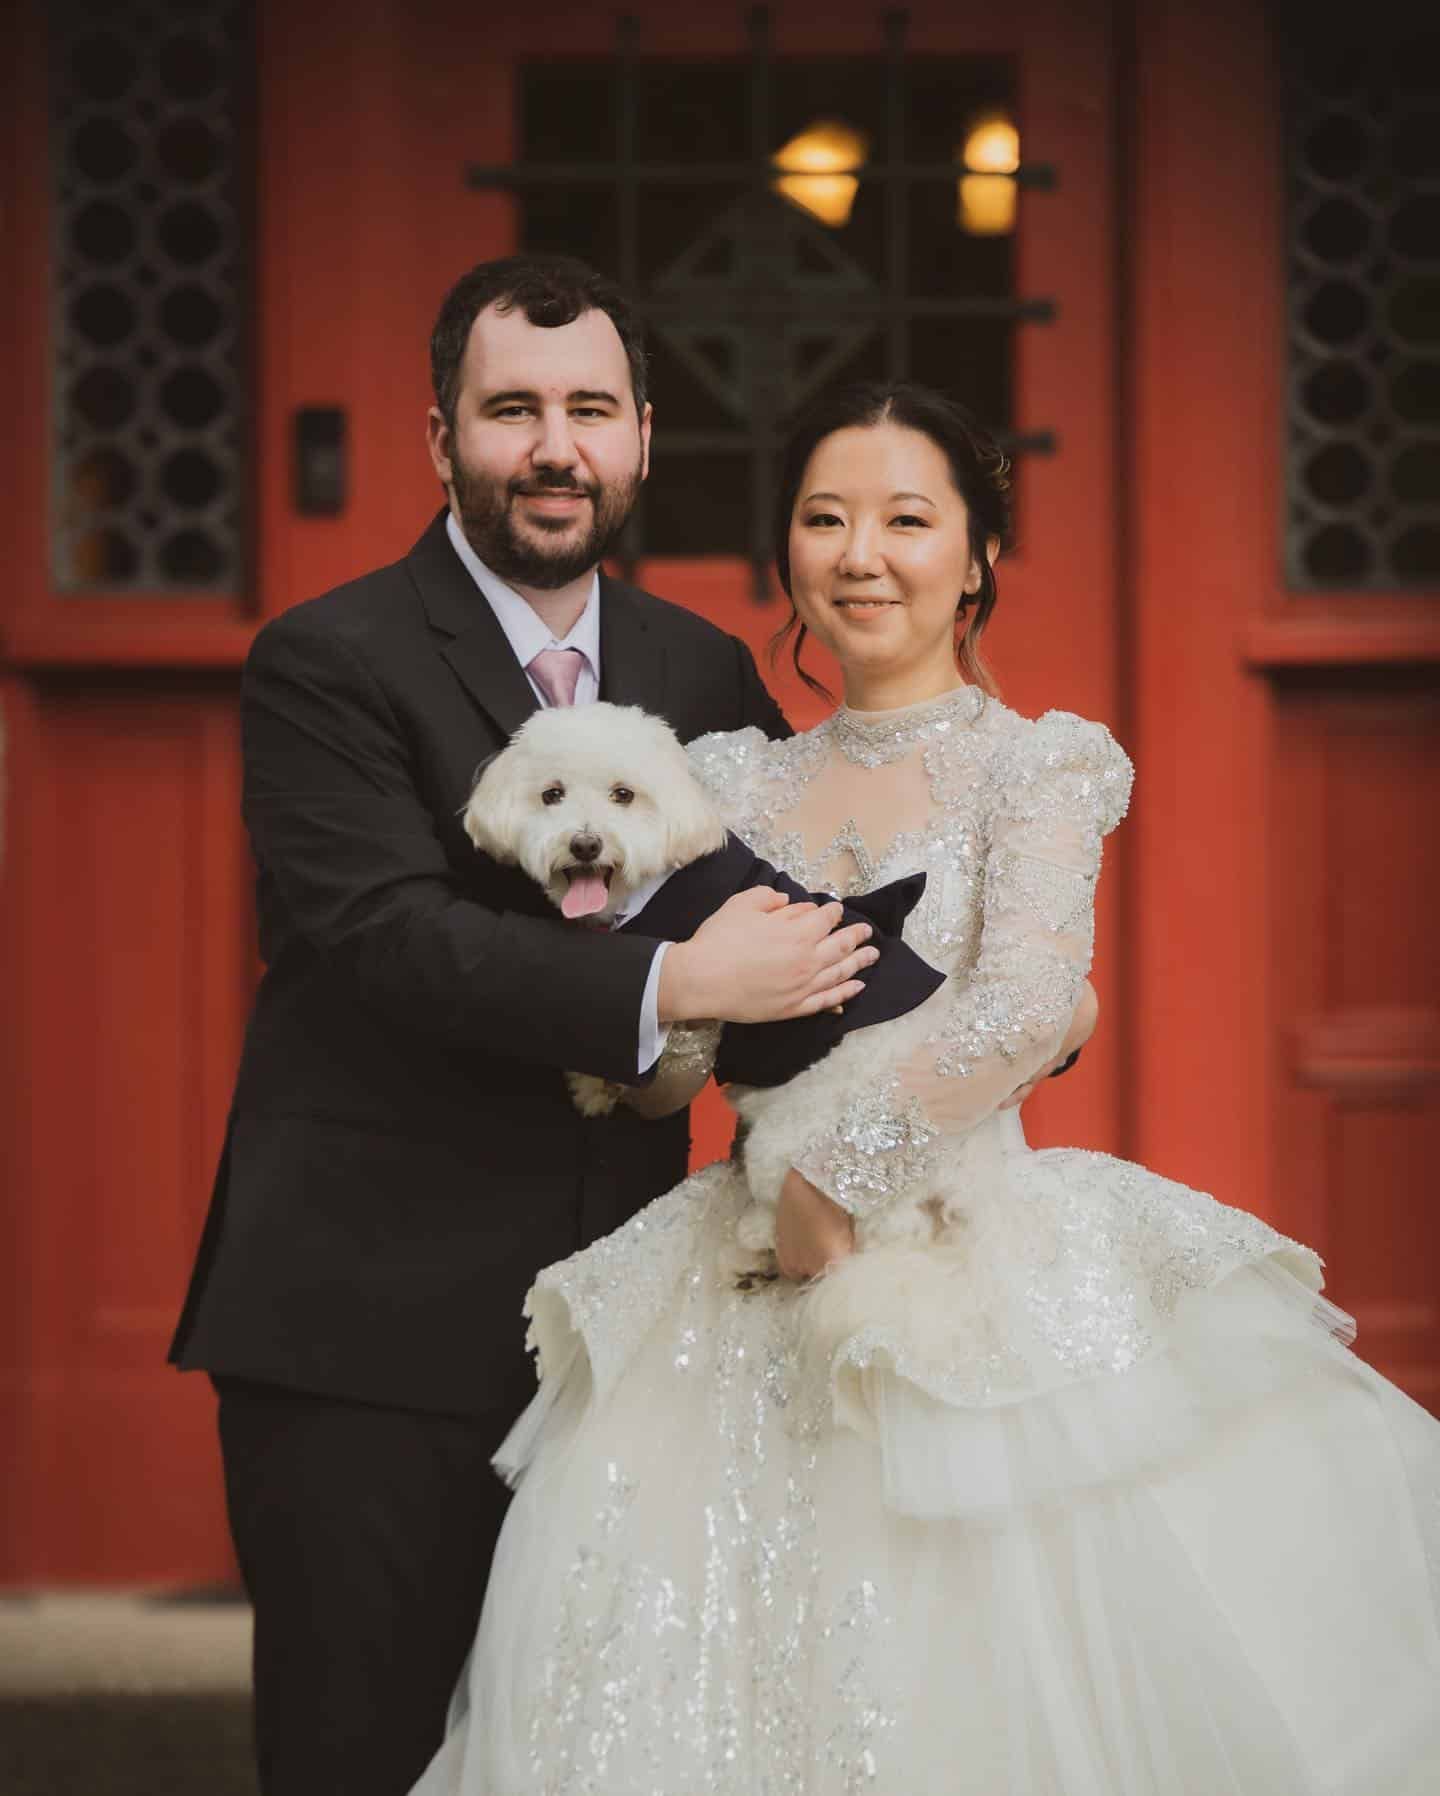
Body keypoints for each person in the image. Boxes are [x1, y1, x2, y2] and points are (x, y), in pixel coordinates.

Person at [414, 381, 1440, 1796]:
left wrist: (839, 1180)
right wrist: (648, 1027)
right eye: (825, 519)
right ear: (789, 556)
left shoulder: (1039, 765)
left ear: (976, 558)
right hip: (740, 1275)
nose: (860, 554)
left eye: (908, 520)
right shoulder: (724, 782)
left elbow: (1029, 1001)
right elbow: (685, 1078)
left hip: (961, 1256)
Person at [166, 255, 886, 1796]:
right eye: (509, 411)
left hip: (627, 1342)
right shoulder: (326, 659)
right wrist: (674, 986)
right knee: (361, 1757)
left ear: (638, 435)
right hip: (366, 1328)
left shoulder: (705, 672)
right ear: (443, 440)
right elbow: (385, 941)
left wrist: (997, 1008)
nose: (551, 447)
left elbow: (788, 946)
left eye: (585, 411)